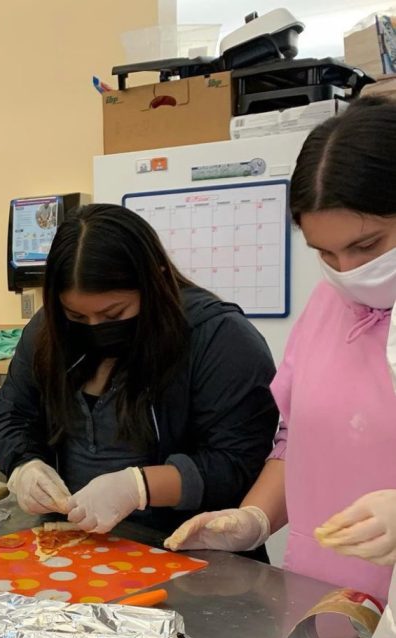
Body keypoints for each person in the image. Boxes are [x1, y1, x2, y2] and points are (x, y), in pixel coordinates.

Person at [165, 99, 396, 611]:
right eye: (325, 253)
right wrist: (254, 519)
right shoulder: (327, 305)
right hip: (321, 588)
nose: (347, 270)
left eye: (367, 246)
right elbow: (299, 440)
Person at [0, 203, 278, 540]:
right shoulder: (48, 333)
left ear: (155, 280)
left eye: (113, 314)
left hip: (184, 551)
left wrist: (140, 486)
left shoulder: (219, 340)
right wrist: (24, 464)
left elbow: (237, 463)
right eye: (78, 317)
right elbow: (11, 414)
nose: (95, 328)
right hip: (70, 546)